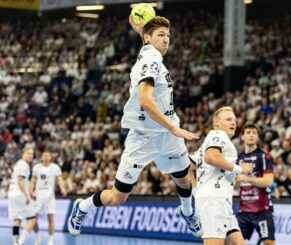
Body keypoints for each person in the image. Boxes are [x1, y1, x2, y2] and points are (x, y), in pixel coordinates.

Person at [67, 16, 203, 238]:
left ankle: (187, 211)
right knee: (117, 197)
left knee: (184, 177)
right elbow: (145, 100)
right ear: (147, 38)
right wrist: (173, 127)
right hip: (144, 136)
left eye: (168, 35)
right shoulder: (151, 57)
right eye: (161, 35)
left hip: (167, 135)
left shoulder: (151, 55)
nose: (167, 40)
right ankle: (82, 207)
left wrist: (171, 129)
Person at [189, 107, 252, 245]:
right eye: (229, 119)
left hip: (218, 201)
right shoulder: (218, 135)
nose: (234, 122)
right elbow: (211, 157)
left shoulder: (206, 143)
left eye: (235, 120)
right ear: (216, 123)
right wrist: (240, 169)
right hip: (215, 201)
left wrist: (196, 192)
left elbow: (187, 167)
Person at [236, 123, 275, 245]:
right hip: (244, 211)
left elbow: (268, 181)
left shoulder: (263, 155)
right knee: (231, 241)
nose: (251, 135)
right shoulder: (238, 158)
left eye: (254, 133)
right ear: (242, 137)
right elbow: (235, 183)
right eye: (248, 132)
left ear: (258, 138)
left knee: (268, 242)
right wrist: (236, 179)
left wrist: (247, 179)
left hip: (262, 210)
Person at [29, 151, 67, 245]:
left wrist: (63, 188)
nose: (46, 157)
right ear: (41, 157)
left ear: (50, 157)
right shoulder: (37, 167)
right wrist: (31, 191)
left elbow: (60, 179)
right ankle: (37, 236)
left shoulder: (55, 167)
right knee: (33, 218)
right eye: (44, 155)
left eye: (48, 155)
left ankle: (51, 239)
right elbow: (33, 180)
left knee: (50, 218)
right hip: (38, 195)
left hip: (50, 196)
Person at [8, 146, 36, 245]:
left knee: (17, 219)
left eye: (32, 154)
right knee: (32, 219)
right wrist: (27, 196)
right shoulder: (24, 165)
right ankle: (20, 242)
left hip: (12, 194)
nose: (31, 156)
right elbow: (20, 181)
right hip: (20, 194)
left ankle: (15, 242)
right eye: (28, 153)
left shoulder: (18, 164)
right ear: (23, 154)